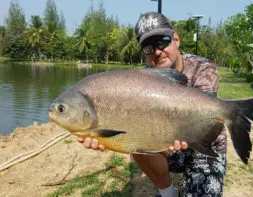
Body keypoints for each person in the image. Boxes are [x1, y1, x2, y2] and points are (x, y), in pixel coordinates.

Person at [78, 12, 227, 197]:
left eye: (162, 41)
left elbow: (203, 114)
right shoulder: (144, 79)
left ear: (176, 40)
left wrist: (179, 132)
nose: (156, 51)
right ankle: (168, 193)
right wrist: (102, 135)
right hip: (167, 144)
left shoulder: (203, 67)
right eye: (148, 48)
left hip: (205, 143)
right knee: (134, 140)